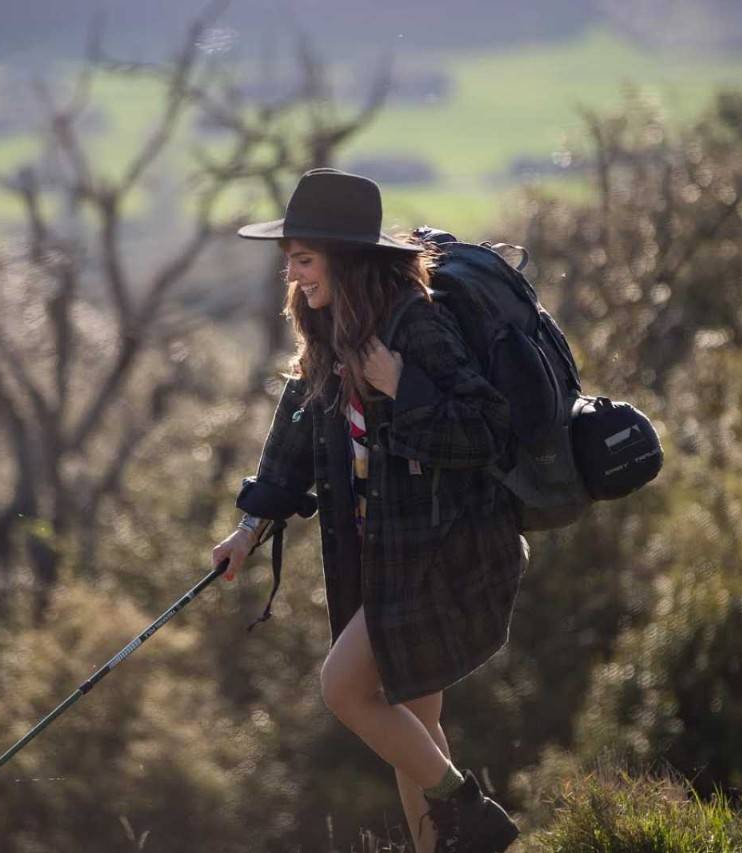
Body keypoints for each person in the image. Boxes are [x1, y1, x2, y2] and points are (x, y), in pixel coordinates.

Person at [211, 168, 528, 853]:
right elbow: (291, 440)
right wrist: (246, 529)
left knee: (344, 689)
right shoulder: (325, 334)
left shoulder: (415, 324)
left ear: (344, 257)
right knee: (414, 725)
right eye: (290, 263)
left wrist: (403, 386)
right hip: (386, 555)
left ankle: (471, 811)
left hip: (448, 553)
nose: (294, 278)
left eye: (304, 260)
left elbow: (487, 430)